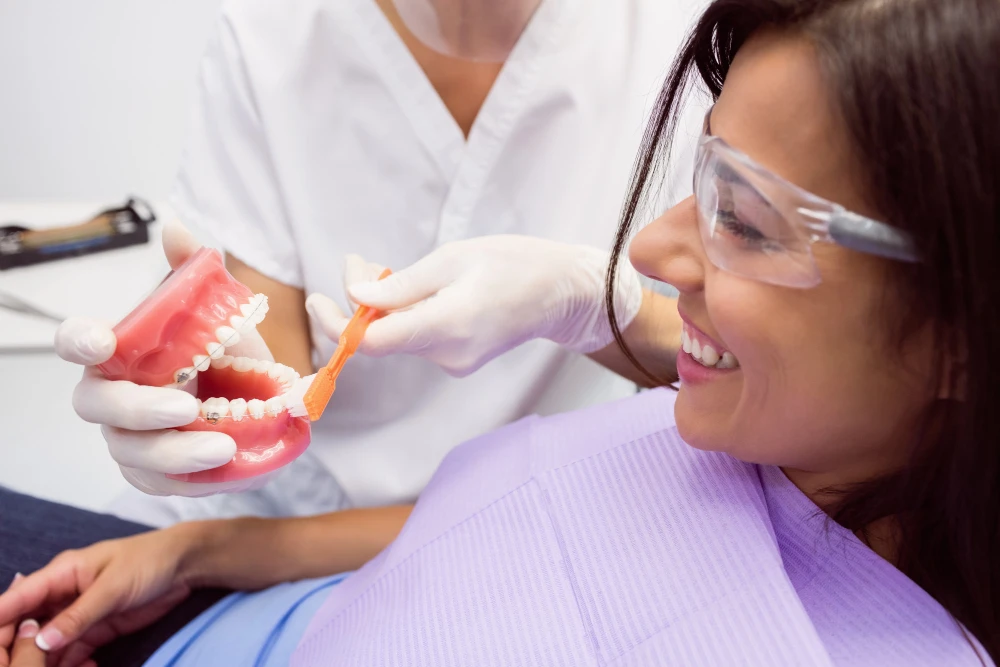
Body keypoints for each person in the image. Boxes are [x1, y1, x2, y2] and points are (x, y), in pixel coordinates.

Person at [2, 0, 998, 664]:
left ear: (960, 328)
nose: (648, 247)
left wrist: (587, 298)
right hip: (260, 583)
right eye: (697, 178)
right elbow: (473, 517)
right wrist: (209, 523)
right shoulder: (739, 437)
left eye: (741, 213)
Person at [58, 0, 700, 527]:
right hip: (283, 519)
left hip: (545, 520)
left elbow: (759, 371)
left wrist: (593, 307)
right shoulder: (272, 36)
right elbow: (276, 395)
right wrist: (190, 399)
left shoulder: (689, 39)